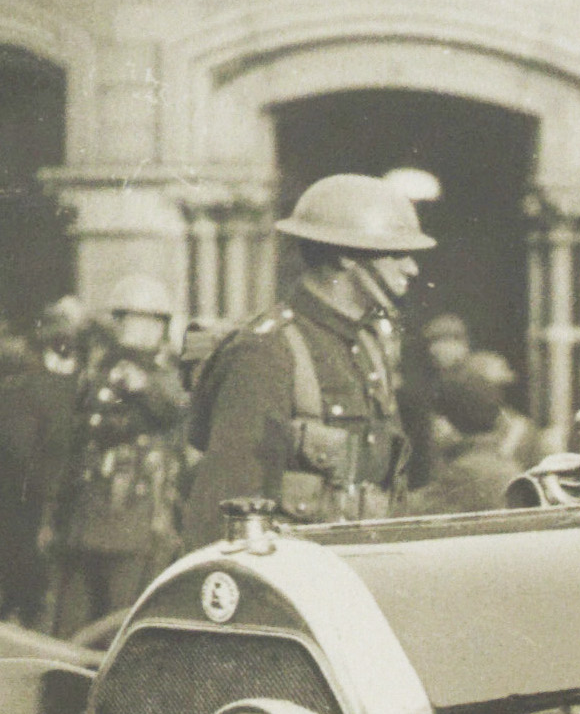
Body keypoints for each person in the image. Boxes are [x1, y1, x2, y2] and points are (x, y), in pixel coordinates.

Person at [181, 174, 431, 547]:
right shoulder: (267, 351)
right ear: (346, 255)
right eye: (396, 253)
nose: (411, 268)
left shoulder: (368, 344)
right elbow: (224, 511)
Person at [51, 276, 192, 634]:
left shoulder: (167, 376)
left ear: (160, 325)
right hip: (88, 517)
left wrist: (142, 385)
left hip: (137, 520)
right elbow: (78, 439)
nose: (132, 329)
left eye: (143, 320)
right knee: (74, 624)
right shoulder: (100, 372)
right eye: (126, 319)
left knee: (123, 619)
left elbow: (174, 410)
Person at [0, 296, 86, 626]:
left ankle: (43, 606)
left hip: (64, 474)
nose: (63, 336)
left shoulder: (84, 375)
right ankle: (23, 603)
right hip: (27, 478)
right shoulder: (26, 374)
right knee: (21, 543)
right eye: (57, 326)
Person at [404, 313, 524, 515]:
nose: (437, 349)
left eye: (447, 341)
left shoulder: (479, 372)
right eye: (433, 342)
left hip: (482, 461)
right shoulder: (432, 383)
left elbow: (512, 423)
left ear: (463, 344)